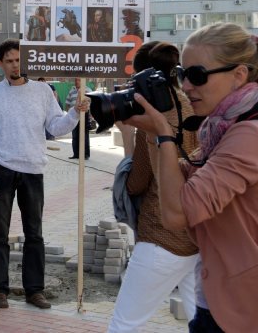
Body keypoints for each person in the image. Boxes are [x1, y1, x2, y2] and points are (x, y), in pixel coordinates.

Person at [123, 22, 258, 332]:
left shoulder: (247, 134)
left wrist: (163, 135)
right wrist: (153, 132)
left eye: (197, 76)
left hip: (240, 309)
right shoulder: (221, 127)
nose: (186, 86)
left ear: (239, 75)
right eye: (182, 75)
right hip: (217, 298)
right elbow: (183, 176)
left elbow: (176, 213)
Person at [0, 39, 88, 310]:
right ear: (0, 63)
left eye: (19, 60)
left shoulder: (43, 91)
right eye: (10, 60)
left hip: (33, 170)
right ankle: (0, 289)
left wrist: (75, 112)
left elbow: (56, 126)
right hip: (2, 169)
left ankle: (34, 290)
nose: (15, 65)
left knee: (34, 233)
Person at [108, 41, 199, 332]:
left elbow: (136, 184)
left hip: (162, 238)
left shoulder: (155, 119)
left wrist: (128, 138)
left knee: (125, 324)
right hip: (198, 236)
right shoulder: (192, 104)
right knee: (203, 323)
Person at [66, 78, 92, 160]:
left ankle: (85, 154)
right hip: (74, 115)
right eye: (75, 80)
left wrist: (91, 116)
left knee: (84, 135)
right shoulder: (72, 91)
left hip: (84, 114)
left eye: (78, 80)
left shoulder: (87, 90)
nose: (76, 82)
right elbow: (67, 103)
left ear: (82, 81)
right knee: (75, 135)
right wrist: (68, 114)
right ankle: (76, 154)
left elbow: (91, 103)